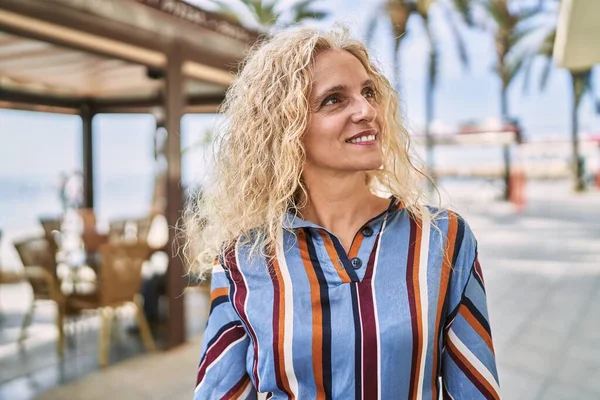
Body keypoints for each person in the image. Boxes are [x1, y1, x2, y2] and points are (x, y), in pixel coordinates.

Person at [188, 27, 500, 399]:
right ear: (286, 129)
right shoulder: (243, 258)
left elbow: (476, 391)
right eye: (334, 100)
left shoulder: (442, 238)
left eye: (368, 92)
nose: (367, 111)